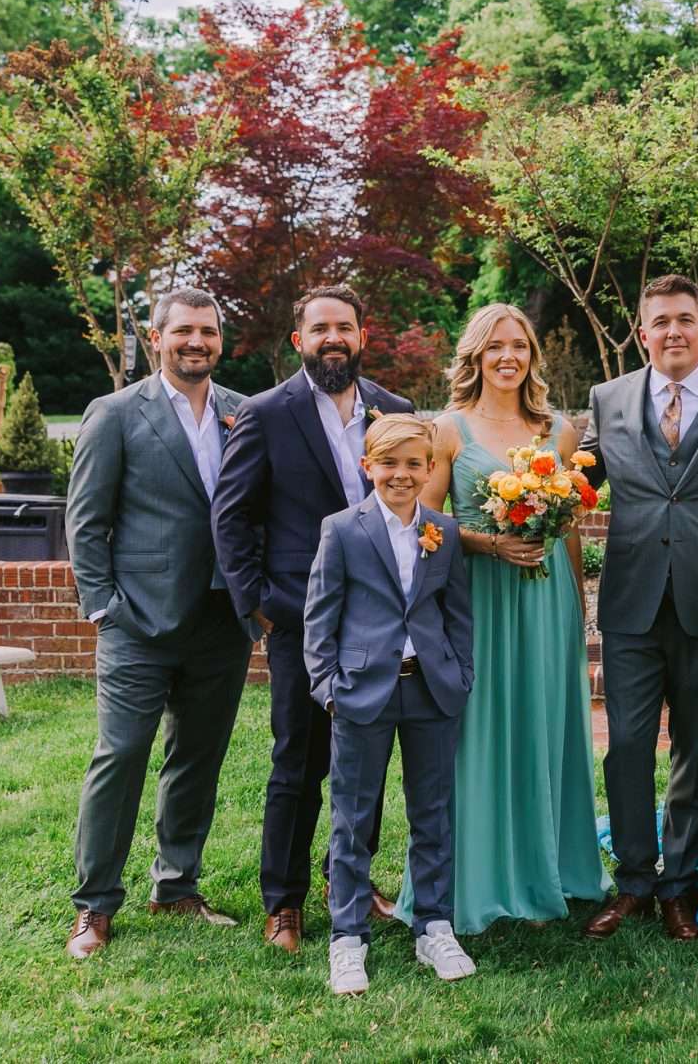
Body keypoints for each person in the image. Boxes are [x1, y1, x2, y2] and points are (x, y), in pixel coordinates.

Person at [211, 284, 414, 953]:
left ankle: (348, 880)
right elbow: (231, 515)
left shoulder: (394, 410)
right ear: (300, 340)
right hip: (299, 618)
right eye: (320, 328)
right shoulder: (266, 413)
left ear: (362, 336)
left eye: (344, 327)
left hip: (381, 616)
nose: (334, 338)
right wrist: (256, 603)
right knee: (297, 762)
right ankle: (284, 902)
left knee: (369, 757)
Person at [395, 304, 609, 932]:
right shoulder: (449, 430)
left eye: (518, 346)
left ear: (532, 356)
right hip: (480, 597)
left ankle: (550, 868)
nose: (508, 356)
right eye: (495, 346)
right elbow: (425, 522)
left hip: (545, 598)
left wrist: (576, 605)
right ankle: (479, 876)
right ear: (476, 356)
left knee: (544, 722)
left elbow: (569, 528)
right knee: (479, 730)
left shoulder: (559, 431)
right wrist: (491, 544)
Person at [581, 274, 698, 942]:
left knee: (696, 747)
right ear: (643, 333)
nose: (673, 332)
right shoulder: (607, 399)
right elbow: (579, 477)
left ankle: (680, 884)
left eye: (685, 319)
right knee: (628, 748)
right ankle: (634, 880)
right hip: (631, 603)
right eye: (660, 321)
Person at [64, 287, 252, 959]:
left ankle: (176, 885)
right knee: (120, 757)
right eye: (183, 331)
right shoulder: (116, 413)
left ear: (220, 340)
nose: (196, 342)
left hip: (222, 621)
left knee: (198, 758)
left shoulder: (242, 412)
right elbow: (86, 518)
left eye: (208, 331)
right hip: (137, 623)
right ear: (157, 338)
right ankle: (94, 906)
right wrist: (102, 605)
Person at [304, 415, 476, 992]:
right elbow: (320, 615)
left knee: (433, 813)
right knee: (352, 819)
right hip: (361, 691)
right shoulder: (341, 530)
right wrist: (328, 688)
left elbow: (457, 613)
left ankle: (434, 926)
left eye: (412, 465)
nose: (400, 475)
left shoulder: (443, 531)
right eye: (388, 463)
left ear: (429, 470)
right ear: (367, 466)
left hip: (431, 689)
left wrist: (461, 675)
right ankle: (348, 937)